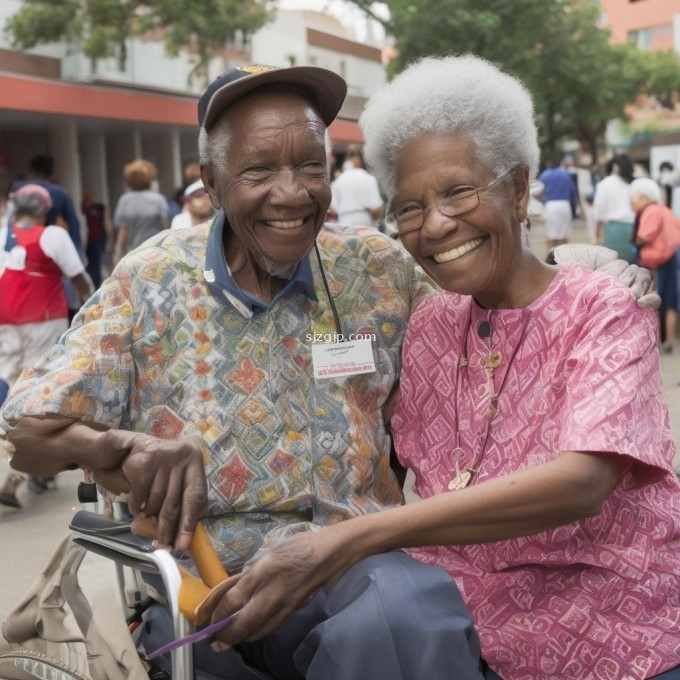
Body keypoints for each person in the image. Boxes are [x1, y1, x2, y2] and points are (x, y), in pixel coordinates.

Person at [0, 63, 662, 680]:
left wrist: (584, 266)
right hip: (212, 587)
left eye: (310, 166)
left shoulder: (375, 268)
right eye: (259, 171)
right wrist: (122, 446)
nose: (291, 195)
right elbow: (27, 428)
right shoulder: (151, 281)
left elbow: (489, 284)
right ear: (211, 180)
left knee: (402, 615)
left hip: (361, 572)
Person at [0, 184, 91, 507]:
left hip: (6, 320)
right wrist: (93, 307)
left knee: (9, 388)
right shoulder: (53, 235)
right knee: (39, 389)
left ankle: (14, 460)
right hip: (43, 316)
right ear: (45, 208)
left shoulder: (2, 234)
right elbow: (79, 278)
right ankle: (25, 466)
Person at [631, 177, 680, 354]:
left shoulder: (651, 211)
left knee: (652, 302)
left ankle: (654, 342)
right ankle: (669, 341)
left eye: (634, 198)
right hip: (671, 258)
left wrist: (636, 243)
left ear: (643, 196)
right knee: (671, 300)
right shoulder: (665, 210)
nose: (632, 202)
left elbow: (645, 236)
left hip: (653, 263)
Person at [112, 159, 169, 263]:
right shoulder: (158, 200)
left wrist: (118, 255)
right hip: (156, 253)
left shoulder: (125, 201)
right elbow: (165, 228)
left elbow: (123, 233)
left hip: (134, 254)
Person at [592, 153, 636, 262]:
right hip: (634, 229)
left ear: (614, 166)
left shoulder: (605, 184)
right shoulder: (634, 183)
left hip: (613, 231)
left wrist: (596, 235)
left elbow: (599, 212)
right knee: (634, 270)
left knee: (614, 269)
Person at [329, 144, 384, 228]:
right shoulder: (368, 178)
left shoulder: (338, 181)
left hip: (344, 220)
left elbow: (332, 207)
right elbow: (376, 206)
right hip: (364, 219)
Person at [537, 157, 578, 252]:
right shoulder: (566, 174)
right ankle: (562, 260)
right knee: (563, 236)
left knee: (550, 234)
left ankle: (550, 259)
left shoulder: (545, 175)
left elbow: (538, 191)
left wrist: (542, 204)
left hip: (551, 205)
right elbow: (573, 193)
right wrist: (574, 211)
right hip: (565, 205)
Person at [82, 190, 113, 288]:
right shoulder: (88, 209)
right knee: (96, 263)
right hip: (93, 239)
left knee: (98, 263)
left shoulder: (99, 207)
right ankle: (99, 284)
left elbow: (106, 221)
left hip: (98, 238)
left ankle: (100, 284)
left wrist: (110, 236)